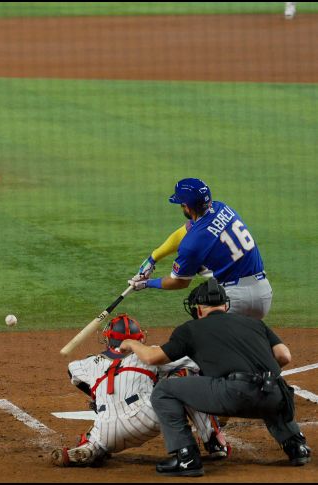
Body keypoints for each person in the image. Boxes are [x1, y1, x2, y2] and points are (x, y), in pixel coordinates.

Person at [120, 279, 311, 477]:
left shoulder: (190, 329)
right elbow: (284, 356)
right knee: (268, 387)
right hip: (276, 395)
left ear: (199, 309)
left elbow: (152, 358)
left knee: (164, 390)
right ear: (226, 305)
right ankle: (297, 446)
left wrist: (131, 344)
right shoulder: (255, 323)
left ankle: (186, 457)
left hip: (233, 394)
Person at [51, 314, 228, 468]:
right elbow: (194, 364)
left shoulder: (90, 363)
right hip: (147, 419)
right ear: (139, 338)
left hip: (107, 431)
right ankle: (213, 440)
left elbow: (72, 370)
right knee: (186, 376)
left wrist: (96, 397)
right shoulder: (148, 353)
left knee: (98, 434)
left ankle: (90, 448)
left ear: (108, 339)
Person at [128, 178, 272, 320]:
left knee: (204, 338)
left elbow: (180, 282)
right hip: (263, 293)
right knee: (248, 341)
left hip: (232, 300)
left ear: (187, 207)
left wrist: (147, 283)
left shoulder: (191, 245)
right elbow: (185, 231)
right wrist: (153, 258)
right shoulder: (221, 207)